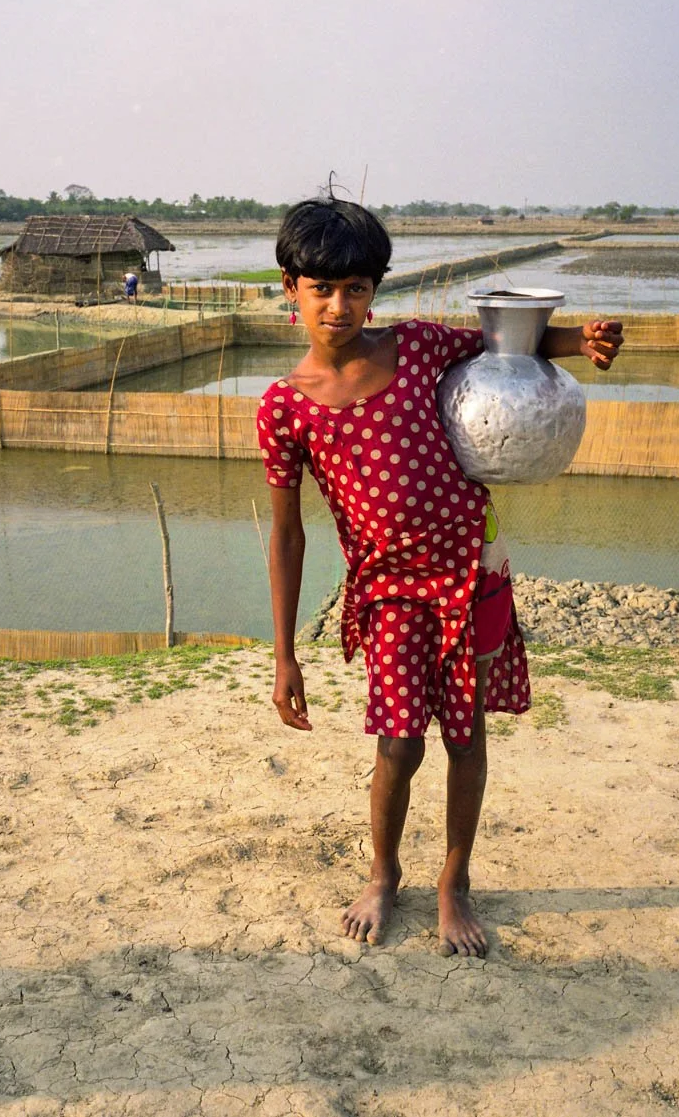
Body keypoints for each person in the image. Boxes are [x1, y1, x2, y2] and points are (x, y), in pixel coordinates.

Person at [258, 197, 623, 955]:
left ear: (375, 290)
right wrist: (285, 652)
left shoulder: (420, 349)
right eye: (321, 288)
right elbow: (288, 534)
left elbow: (509, 351)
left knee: (465, 734)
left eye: (356, 288)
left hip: (471, 570)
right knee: (398, 743)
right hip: (389, 592)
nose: (339, 305)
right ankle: (384, 872)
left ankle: (454, 881)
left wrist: (576, 342)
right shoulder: (285, 408)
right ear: (290, 286)